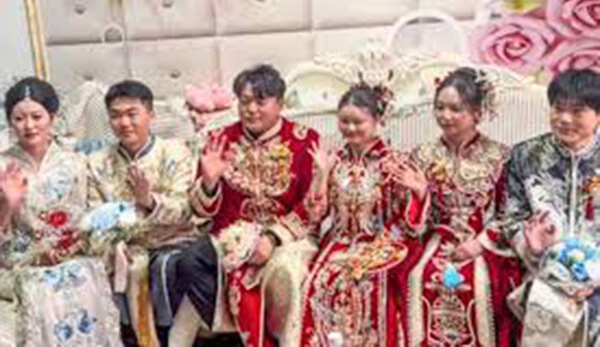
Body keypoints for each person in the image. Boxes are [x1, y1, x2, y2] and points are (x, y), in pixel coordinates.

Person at [169, 64, 320, 347]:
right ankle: (239, 329)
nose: (250, 109)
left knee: (286, 271)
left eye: (260, 101)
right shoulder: (220, 139)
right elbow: (201, 210)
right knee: (188, 261)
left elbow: (313, 204)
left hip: (288, 238)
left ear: (280, 103)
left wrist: (273, 238)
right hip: (229, 237)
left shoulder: (305, 140)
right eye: (244, 101)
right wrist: (210, 183)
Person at [398, 67, 522, 346]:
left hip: (485, 242)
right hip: (435, 239)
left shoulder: (500, 156)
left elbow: (511, 212)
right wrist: (420, 196)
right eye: (439, 107)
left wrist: (479, 244)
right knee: (416, 275)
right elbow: (411, 222)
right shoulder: (422, 155)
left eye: (456, 109)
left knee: (482, 283)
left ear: (477, 112)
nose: (445, 116)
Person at [299, 82, 429, 347]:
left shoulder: (394, 163)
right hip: (339, 241)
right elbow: (315, 214)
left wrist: (419, 192)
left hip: (385, 242)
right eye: (344, 121)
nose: (350, 128)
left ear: (377, 120)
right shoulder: (333, 161)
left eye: (358, 122)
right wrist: (322, 174)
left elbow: (409, 222)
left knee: (370, 280)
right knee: (321, 279)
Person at [0, 77, 121, 346]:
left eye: (36, 116)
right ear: (10, 122)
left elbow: (94, 214)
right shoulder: (3, 166)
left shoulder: (76, 161)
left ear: (52, 118)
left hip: (76, 255)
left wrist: (76, 244)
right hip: (23, 263)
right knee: (42, 289)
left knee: (83, 277)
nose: (29, 125)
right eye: (19, 118)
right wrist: (8, 204)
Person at [86, 80, 198, 346]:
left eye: (132, 114)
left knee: (156, 265)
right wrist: (114, 242)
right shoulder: (97, 163)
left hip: (173, 240)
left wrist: (148, 201)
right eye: (116, 115)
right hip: (123, 247)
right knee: (123, 265)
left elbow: (185, 209)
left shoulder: (176, 152)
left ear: (151, 114)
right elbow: (95, 215)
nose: (124, 123)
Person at [504, 69, 600, 345]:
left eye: (577, 111)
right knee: (545, 303)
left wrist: (594, 276)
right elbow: (511, 218)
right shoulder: (525, 156)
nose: (565, 119)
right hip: (544, 269)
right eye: (558, 109)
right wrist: (533, 248)